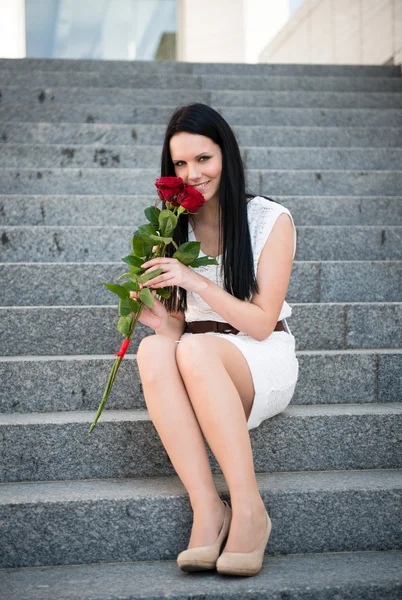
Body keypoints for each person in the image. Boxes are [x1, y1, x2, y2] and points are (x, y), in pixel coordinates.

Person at [130, 103, 299, 577]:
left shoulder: (269, 220)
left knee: (195, 348)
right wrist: (155, 317)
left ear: (226, 154)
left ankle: (250, 509)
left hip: (259, 356)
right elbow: (179, 328)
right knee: (156, 348)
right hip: (197, 354)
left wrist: (197, 280)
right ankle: (208, 507)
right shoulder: (171, 227)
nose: (193, 174)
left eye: (203, 159)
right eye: (180, 164)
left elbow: (262, 323)